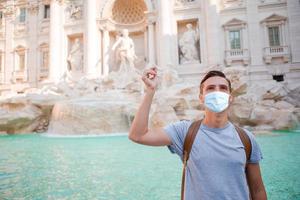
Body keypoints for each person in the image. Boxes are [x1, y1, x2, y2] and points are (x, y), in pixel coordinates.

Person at [129, 69, 267, 200]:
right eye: (211, 88)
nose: (217, 92)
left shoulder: (246, 138)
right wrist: (150, 91)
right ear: (201, 98)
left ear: (230, 98)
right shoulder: (184, 132)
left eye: (223, 88)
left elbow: (257, 189)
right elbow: (138, 135)